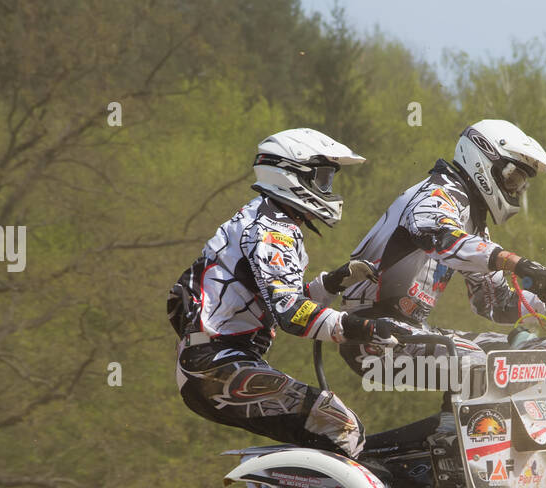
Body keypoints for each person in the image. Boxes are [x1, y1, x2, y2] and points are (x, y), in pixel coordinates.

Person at [167, 128, 408, 458]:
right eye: (322, 179)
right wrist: (363, 328)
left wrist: (331, 284)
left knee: (334, 428)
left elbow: (280, 304)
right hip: (214, 367)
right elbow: (293, 314)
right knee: (340, 426)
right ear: (292, 175)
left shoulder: (269, 219)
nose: (329, 189)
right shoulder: (272, 230)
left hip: (213, 365)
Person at [309, 118, 546, 379]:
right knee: (491, 365)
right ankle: (464, 421)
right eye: (513, 179)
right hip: (371, 334)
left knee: (528, 355)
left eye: (521, 185)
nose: (516, 190)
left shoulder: (471, 220)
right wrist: (515, 262)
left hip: (410, 332)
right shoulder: (437, 193)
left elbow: (494, 301)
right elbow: (441, 238)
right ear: (485, 161)